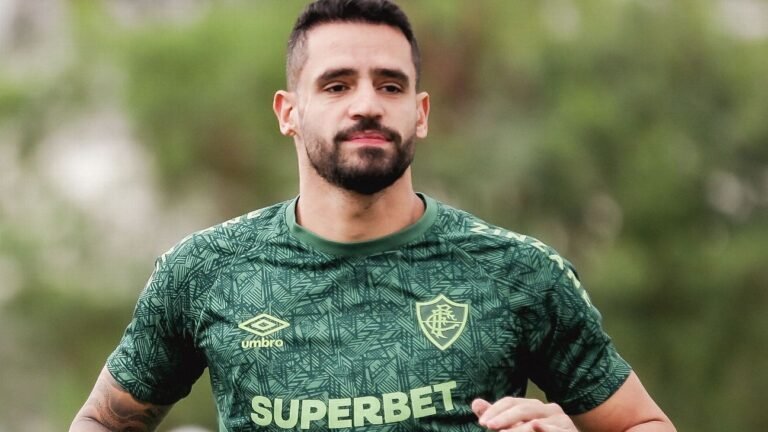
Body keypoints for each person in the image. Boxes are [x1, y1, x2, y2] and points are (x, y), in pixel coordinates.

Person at [70, 0, 676, 431]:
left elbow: (642, 423)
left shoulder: (517, 272)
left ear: (420, 112)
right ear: (288, 112)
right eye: (336, 85)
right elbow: (102, 420)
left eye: (390, 85)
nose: (367, 105)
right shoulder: (206, 270)